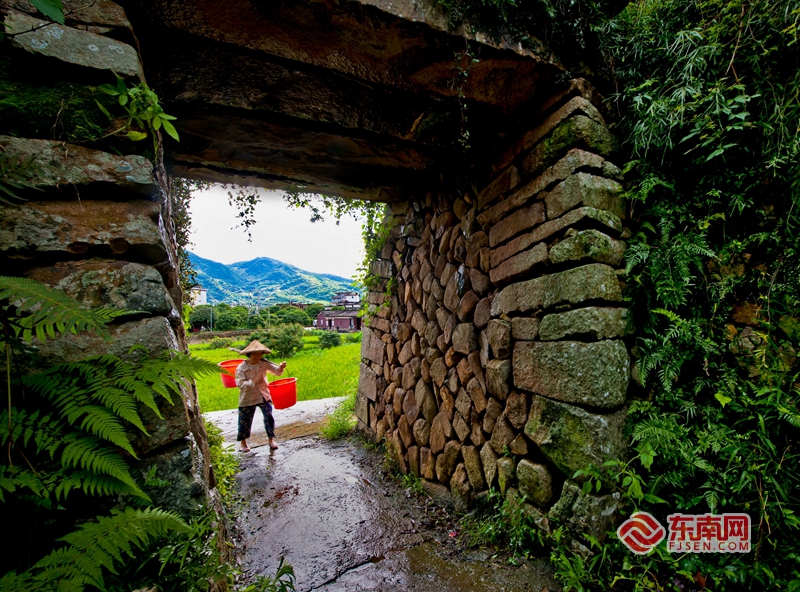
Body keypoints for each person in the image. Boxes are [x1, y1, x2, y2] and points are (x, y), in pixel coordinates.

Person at [234, 340, 286, 453]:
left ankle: (271, 440)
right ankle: (243, 443)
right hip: (247, 398)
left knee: (269, 416)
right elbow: (240, 384)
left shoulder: (264, 364)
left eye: (260, 353)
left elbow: (276, 371)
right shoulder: (241, 368)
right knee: (244, 420)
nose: (258, 356)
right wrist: (253, 381)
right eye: (255, 354)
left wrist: (281, 367)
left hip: (263, 395)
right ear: (249, 354)